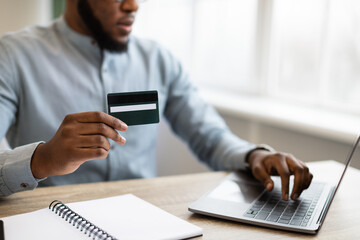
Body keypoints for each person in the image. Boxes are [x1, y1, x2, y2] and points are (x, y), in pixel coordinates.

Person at [0, 0, 312, 199]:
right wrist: (41, 159)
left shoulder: (159, 59)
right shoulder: (12, 56)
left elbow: (210, 136)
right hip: (50, 219)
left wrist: (254, 155)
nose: (133, 6)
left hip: (145, 221)